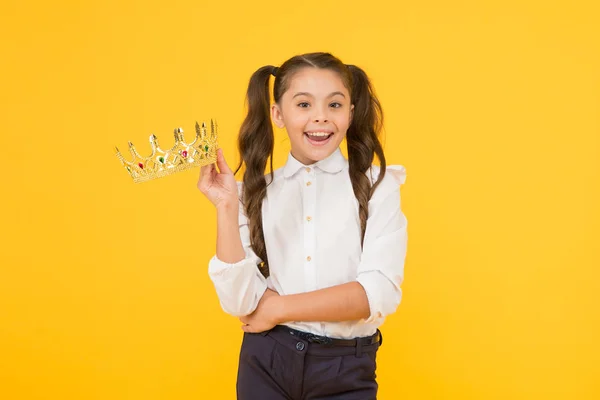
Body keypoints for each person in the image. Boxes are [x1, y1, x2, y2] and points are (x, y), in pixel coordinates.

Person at [197, 52, 407, 400]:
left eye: (335, 104)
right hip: (266, 362)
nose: (320, 117)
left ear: (351, 112)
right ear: (278, 114)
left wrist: (279, 308)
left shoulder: (377, 186)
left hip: (346, 368)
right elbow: (239, 301)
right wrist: (225, 208)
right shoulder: (255, 192)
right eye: (304, 104)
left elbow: (377, 293)